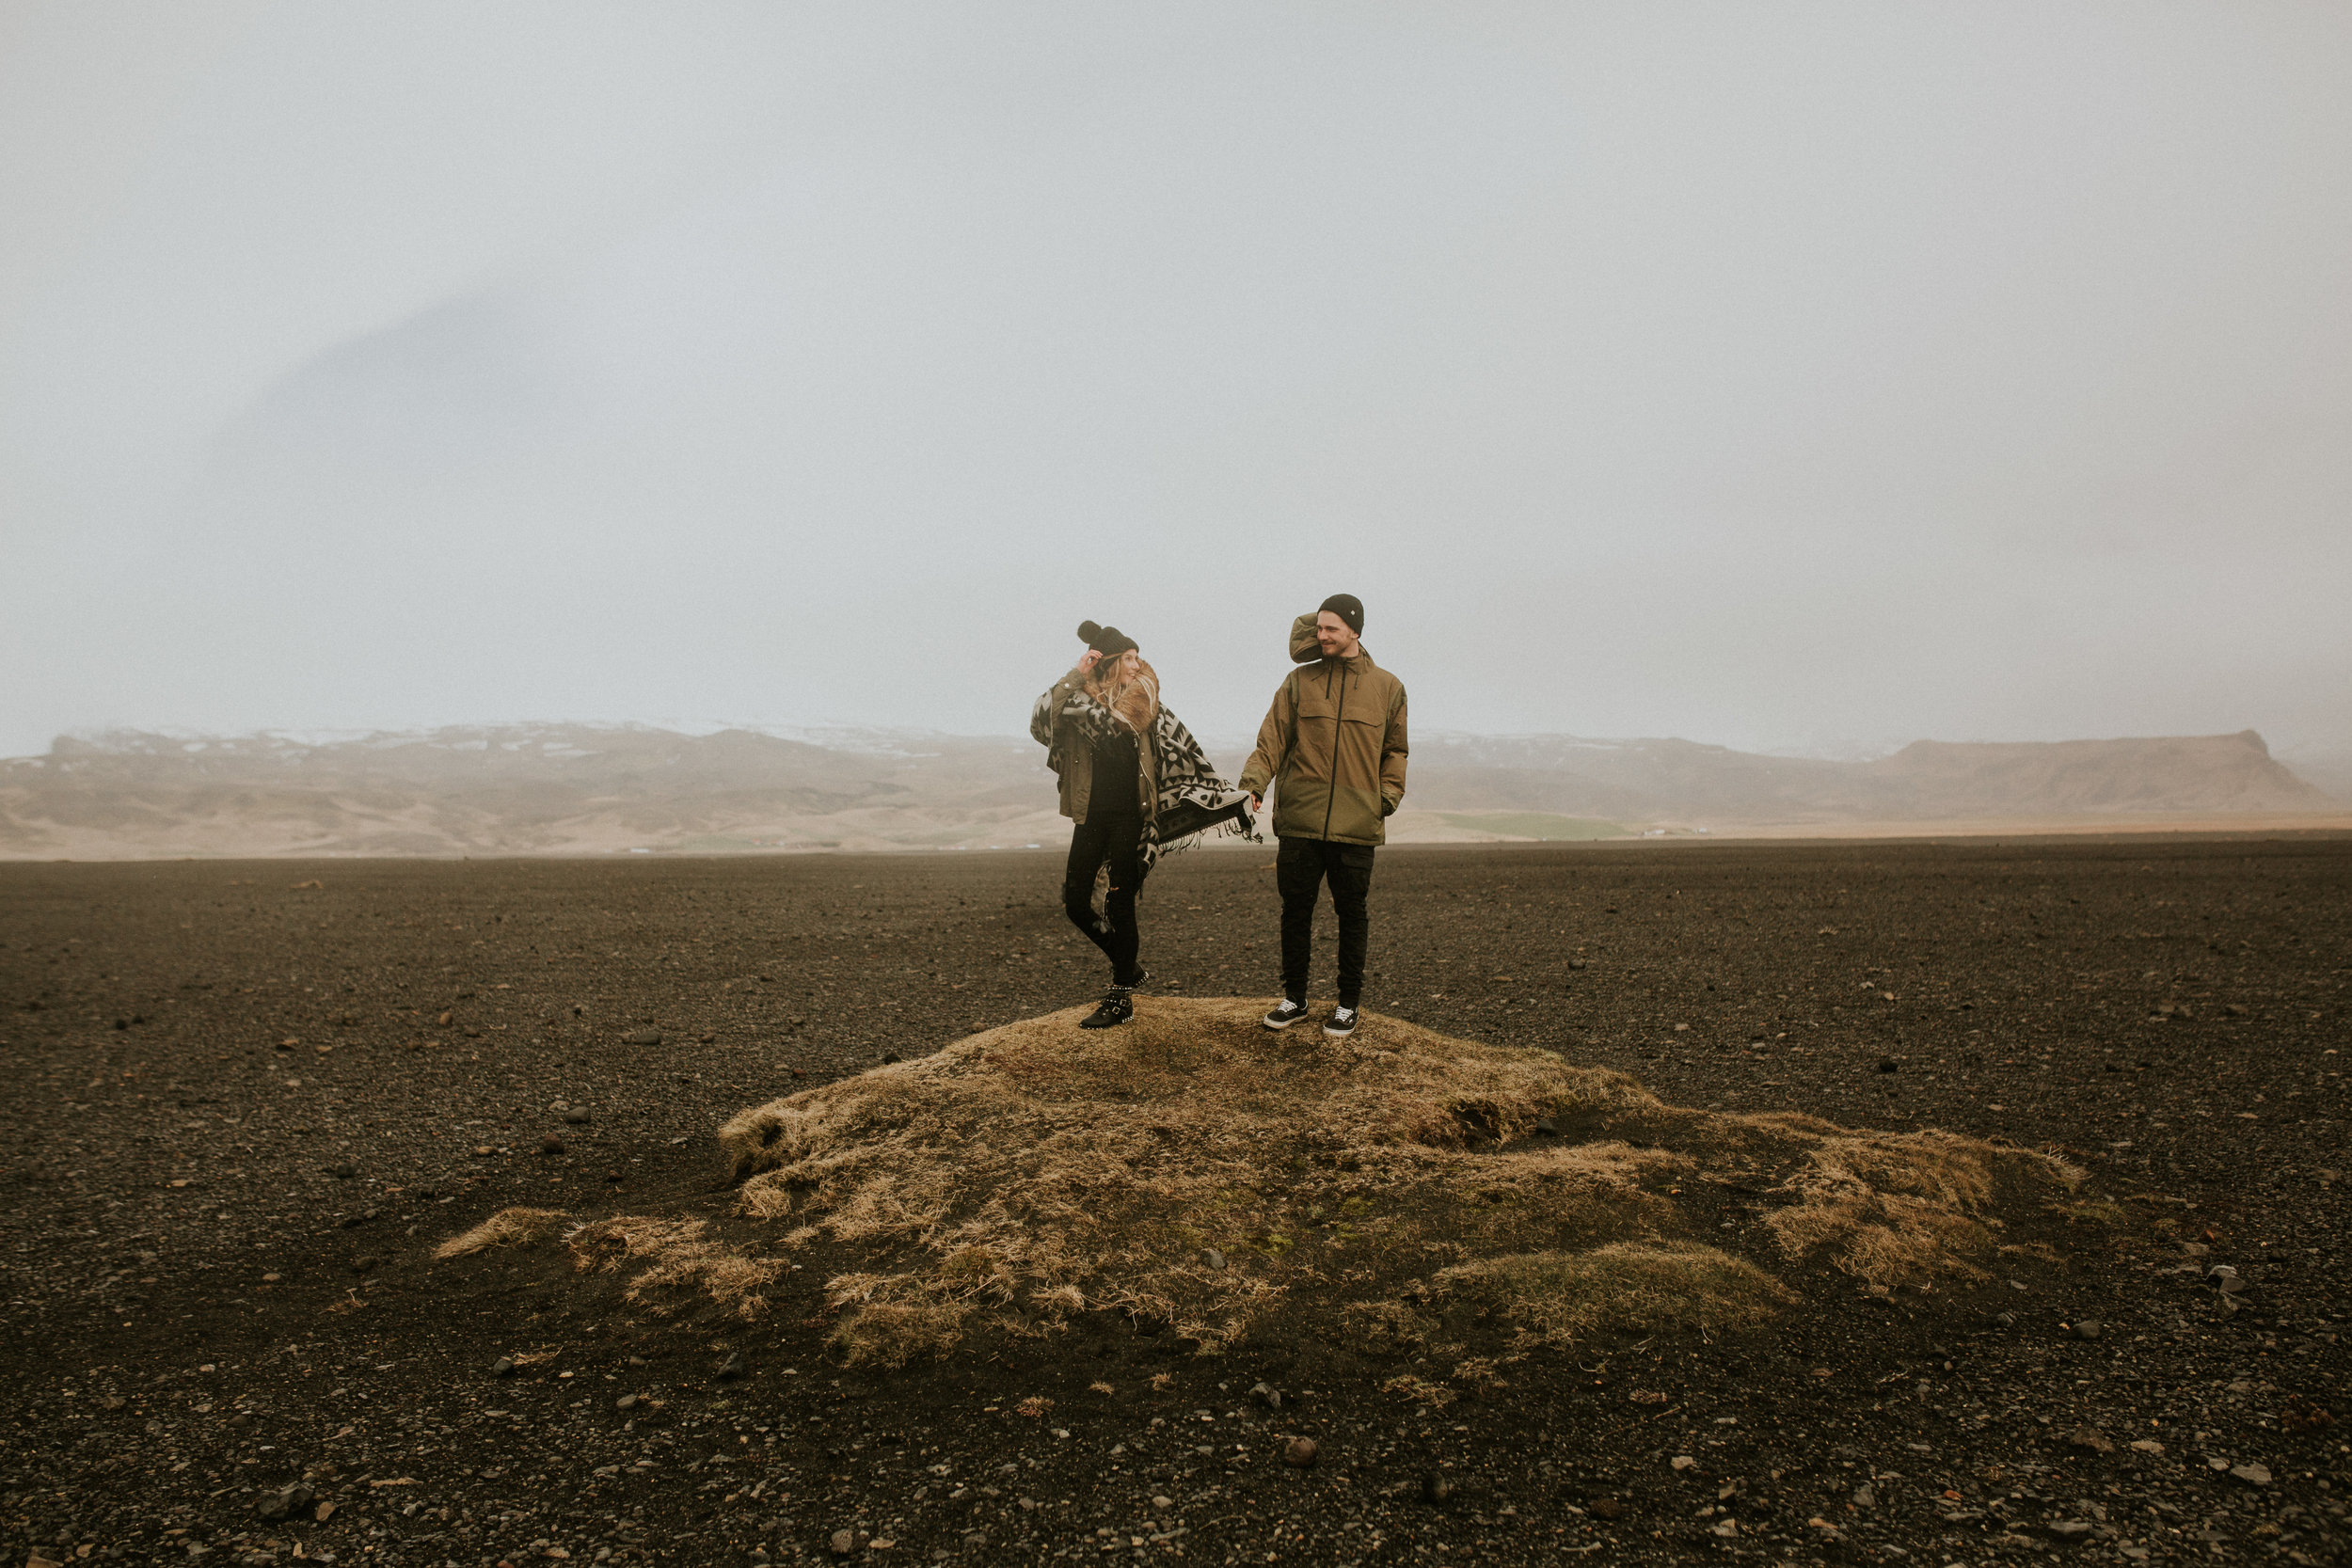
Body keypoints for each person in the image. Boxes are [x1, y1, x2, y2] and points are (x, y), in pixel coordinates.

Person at [1032, 620, 1255, 1028]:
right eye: (1129, 658)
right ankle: (1127, 964)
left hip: (1133, 818)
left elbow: (1187, 751)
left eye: (1138, 656)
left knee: (1119, 901)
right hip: (1090, 816)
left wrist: (1223, 794)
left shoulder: (1149, 704)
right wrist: (1076, 675)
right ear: (1111, 662)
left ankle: (1120, 999)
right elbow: (1039, 720)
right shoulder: (1075, 701)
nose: (1138, 664)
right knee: (1076, 903)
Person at [1236, 594, 1408, 1038]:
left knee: (1352, 914)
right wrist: (1254, 785)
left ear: (1355, 630)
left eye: (1331, 628)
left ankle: (1348, 1004)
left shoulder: (1388, 688)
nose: (1323, 635)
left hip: (1356, 825)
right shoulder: (1298, 682)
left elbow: (1395, 752)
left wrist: (1383, 800)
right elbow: (1270, 740)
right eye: (1319, 628)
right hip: (1300, 820)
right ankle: (1295, 998)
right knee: (1296, 911)